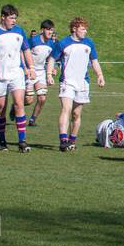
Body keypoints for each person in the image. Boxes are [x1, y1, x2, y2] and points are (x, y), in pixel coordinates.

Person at [45, 16, 106, 152]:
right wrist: (49, 74)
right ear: (74, 29)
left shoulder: (89, 43)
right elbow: (52, 59)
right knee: (66, 109)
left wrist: (100, 75)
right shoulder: (63, 43)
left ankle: (72, 140)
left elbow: (94, 61)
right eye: (83, 29)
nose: (85, 32)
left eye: (86, 29)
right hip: (67, 82)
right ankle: (63, 140)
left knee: (76, 114)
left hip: (83, 83)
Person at [0, 4, 36, 153]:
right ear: (3, 17)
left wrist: (31, 68)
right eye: (11, 18)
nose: (14, 21)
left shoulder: (19, 31)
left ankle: (22, 141)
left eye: (15, 18)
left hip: (16, 73)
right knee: (1, 108)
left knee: (19, 103)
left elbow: (26, 50)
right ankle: (2, 141)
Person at [25, 20, 57, 127]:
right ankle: (15, 106)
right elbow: (23, 52)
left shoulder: (52, 44)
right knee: (29, 100)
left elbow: (50, 58)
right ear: (42, 30)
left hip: (41, 72)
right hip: (30, 71)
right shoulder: (33, 40)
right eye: (48, 29)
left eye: (52, 30)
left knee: (42, 98)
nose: (50, 32)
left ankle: (32, 120)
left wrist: (52, 69)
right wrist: (26, 68)